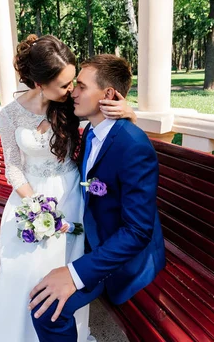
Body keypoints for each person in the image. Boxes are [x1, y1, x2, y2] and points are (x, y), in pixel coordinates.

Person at [0, 35, 136, 342]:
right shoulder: (10, 115)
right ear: (38, 83)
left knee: (62, 266)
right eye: (64, 84)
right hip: (29, 196)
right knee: (23, 270)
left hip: (70, 192)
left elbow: (108, 115)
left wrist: (129, 111)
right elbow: (13, 166)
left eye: (73, 81)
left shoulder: (71, 106)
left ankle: (63, 328)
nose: (72, 89)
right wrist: (36, 205)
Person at [27, 54, 165, 342]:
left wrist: (75, 273)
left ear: (109, 95)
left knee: (47, 307)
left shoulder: (133, 146)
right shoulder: (92, 129)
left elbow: (138, 232)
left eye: (81, 86)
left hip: (122, 254)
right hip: (91, 232)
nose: (73, 93)